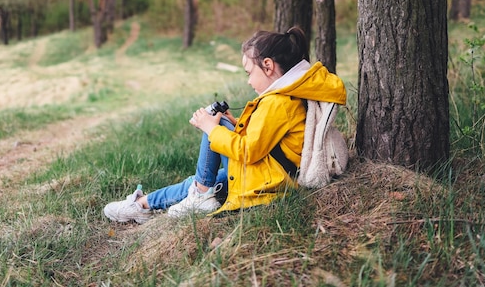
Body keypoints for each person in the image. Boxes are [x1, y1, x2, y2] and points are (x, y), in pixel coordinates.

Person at [103, 26, 346, 224]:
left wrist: (212, 128)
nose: (249, 80)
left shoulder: (278, 102)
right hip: (272, 171)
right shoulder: (289, 92)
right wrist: (234, 122)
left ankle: (196, 194)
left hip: (272, 180)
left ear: (269, 66)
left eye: (249, 72)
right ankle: (143, 204)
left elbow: (249, 151)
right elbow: (271, 137)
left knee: (211, 142)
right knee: (200, 180)